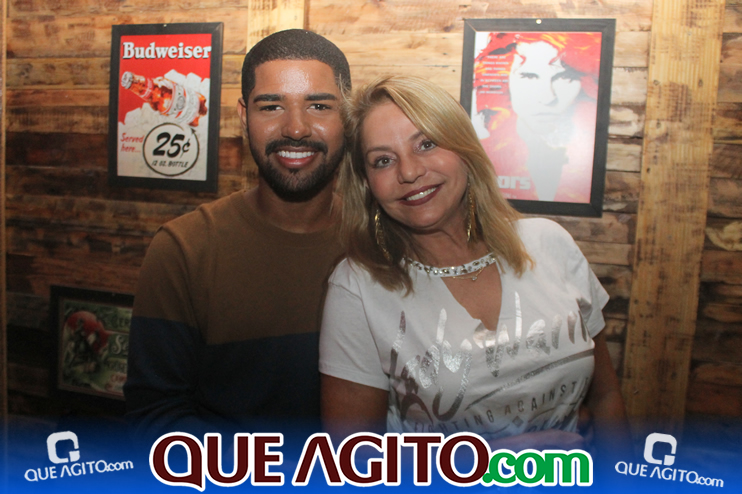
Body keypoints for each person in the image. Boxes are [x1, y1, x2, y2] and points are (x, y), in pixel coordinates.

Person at [319, 75, 631, 458]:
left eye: (426, 144)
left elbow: (606, 396)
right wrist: (489, 463)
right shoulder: (358, 287)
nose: (409, 172)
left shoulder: (550, 244)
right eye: (383, 160)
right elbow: (354, 460)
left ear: (464, 149)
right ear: (367, 183)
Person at [124, 29, 350, 444]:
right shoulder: (184, 249)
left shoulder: (382, 242)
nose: (295, 128)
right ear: (244, 117)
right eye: (272, 106)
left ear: (347, 116)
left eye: (318, 105)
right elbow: (153, 418)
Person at [471, 32, 602, 203]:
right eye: (529, 76)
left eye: (565, 77)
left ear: (586, 83)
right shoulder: (479, 157)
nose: (547, 97)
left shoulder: (591, 160)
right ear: (503, 80)